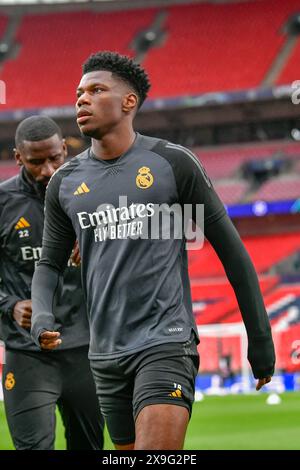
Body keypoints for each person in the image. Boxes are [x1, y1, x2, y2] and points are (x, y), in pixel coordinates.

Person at [31, 52, 275, 450]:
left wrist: (260, 339)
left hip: (165, 342)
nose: (81, 99)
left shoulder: (171, 163)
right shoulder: (64, 182)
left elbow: (233, 253)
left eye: (96, 90)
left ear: (129, 102)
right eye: (78, 93)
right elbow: (49, 265)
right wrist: (41, 315)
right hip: (105, 355)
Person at [0, 116, 104, 450]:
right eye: (35, 162)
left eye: (55, 158)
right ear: (18, 157)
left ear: (65, 148)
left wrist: (97, 244)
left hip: (86, 350)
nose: (47, 169)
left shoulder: (93, 194)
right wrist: (11, 305)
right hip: (28, 353)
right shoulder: (3, 204)